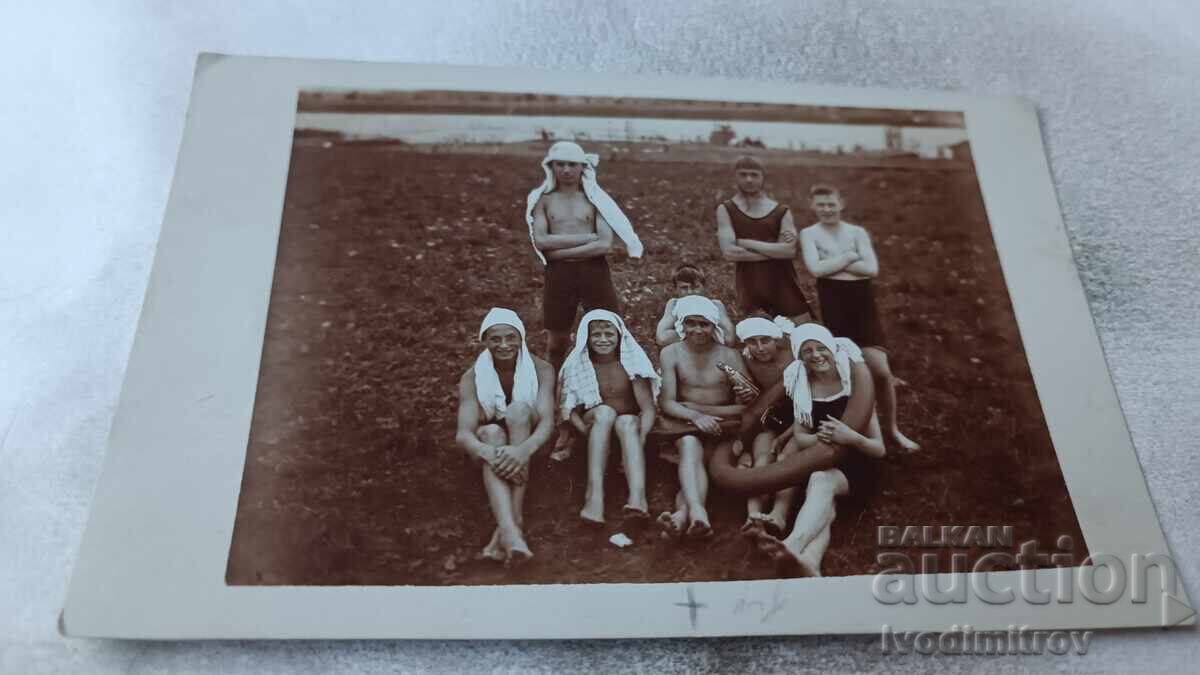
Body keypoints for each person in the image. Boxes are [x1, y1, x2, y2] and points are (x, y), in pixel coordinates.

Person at [754, 322, 886, 577]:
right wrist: (819, 439)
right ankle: (811, 561)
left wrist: (849, 437)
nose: (816, 355)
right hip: (821, 464)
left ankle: (792, 544)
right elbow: (801, 436)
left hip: (860, 466)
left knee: (822, 483)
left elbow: (879, 449)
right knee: (821, 490)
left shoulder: (853, 387)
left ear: (832, 349)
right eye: (807, 351)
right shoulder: (804, 390)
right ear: (801, 358)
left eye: (820, 348)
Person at [799, 183, 920, 452]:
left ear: (841, 203)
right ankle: (862, 428)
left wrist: (836, 260)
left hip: (862, 304)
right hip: (834, 304)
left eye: (831, 204)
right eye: (820, 205)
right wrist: (852, 257)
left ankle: (892, 429)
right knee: (848, 369)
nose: (826, 209)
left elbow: (872, 269)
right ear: (812, 206)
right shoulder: (809, 233)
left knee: (881, 369)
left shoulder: (856, 232)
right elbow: (816, 270)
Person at [525, 141, 643, 367]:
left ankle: (610, 385)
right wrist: (587, 237)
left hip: (593, 270)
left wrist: (557, 253)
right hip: (559, 274)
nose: (566, 170)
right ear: (551, 167)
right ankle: (553, 390)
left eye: (572, 164)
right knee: (557, 340)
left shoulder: (595, 200)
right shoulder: (544, 201)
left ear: (582, 167)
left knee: (608, 330)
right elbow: (540, 240)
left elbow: (604, 244)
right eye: (560, 164)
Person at [454, 308, 556, 564]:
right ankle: (513, 530)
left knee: (519, 409)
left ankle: (507, 532)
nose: (504, 345)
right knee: (490, 432)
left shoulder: (542, 369)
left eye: (511, 337)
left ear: (521, 338)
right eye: (495, 339)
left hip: (529, 440)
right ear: (484, 341)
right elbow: (464, 435)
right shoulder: (471, 378)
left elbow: (546, 422)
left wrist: (522, 450)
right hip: (493, 447)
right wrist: (491, 453)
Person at [656, 296, 752, 540]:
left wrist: (705, 412)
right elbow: (667, 402)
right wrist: (695, 416)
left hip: (724, 425)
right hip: (686, 421)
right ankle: (698, 512)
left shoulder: (729, 356)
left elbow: (745, 407)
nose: (697, 330)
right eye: (691, 323)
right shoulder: (671, 353)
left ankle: (682, 514)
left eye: (704, 324)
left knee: (704, 457)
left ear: (714, 327)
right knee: (690, 446)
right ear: (682, 325)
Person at [558, 310, 659, 526]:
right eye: (596, 334)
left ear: (619, 335)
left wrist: (641, 438)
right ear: (586, 337)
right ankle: (594, 498)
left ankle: (637, 499)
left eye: (608, 334)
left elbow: (648, 409)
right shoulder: (579, 364)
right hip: (595, 422)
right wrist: (586, 432)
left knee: (627, 420)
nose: (603, 340)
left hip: (627, 428)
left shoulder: (631, 363)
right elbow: (571, 410)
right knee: (605, 412)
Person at [715, 156, 813, 323]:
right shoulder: (726, 209)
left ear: (763, 177)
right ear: (735, 177)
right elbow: (730, 253)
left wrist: (745, 243)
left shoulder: (781, 210)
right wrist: (775, 251)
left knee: (806, 331)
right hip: (750, 284)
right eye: (743, 174)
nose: (748, 179)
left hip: (783, 282)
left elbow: (789, 250)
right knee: (758, 338)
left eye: (754, 175)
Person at [731, 317, 798, 538]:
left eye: (765, 340)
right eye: (752, 342)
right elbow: (753, 400)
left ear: (777, 340)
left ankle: (779, 514)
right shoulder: (748, 360)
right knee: (762, 455)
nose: (759, 348)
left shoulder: (794, 354)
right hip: (769, 417)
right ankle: (753, 516)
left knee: (786, 459)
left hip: (799, 416)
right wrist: (745, 395)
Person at [654, 263, 736, 346]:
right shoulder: (674, 304)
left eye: (695, 287)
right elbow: (662, 338)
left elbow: (729, 339)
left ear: (704, 287)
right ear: (676, 289)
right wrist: (700, 335)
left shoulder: (715, 304)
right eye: (684, 288)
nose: (690, 292)